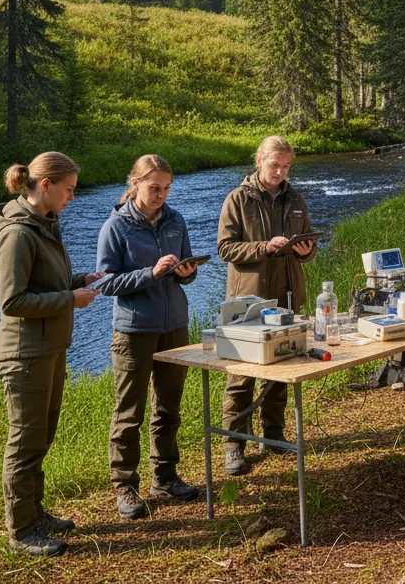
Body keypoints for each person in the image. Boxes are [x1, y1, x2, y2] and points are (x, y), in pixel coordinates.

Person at [0, 152, 102, 557]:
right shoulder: (18, 234)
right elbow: (13, 301)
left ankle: (36, 513)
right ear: (44, 186)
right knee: (25, 441)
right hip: (25, 353)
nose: (72, 197)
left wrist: (78, 281)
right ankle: (21, 531)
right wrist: (69, 299)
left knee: (42, 436)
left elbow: (43, 284)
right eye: (68, 189)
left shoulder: (44, 225)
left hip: (49, 348)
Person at [97, 154, 199, 519]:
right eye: (154, 187)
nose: (161, 195)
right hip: (134, 331)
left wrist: (186, 272)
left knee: (169, 409)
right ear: (135, 184)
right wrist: (149, 274)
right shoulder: (116, 227)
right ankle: (124, 485)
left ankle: (166, 476)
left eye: (167, 187)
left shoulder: (176, 219)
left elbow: (187, 270)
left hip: (175, 326)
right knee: (130, 413)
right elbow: (105, 282)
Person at [216, 136, 317, 476]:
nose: (280, 172)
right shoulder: (237, 199)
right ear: (259, 160)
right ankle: (234, 444)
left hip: (288, 295)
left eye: (286, 166)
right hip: (248, 302)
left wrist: (306, 251)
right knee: (241, 375)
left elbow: (307, 241)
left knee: (281, 366)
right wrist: (263, 247)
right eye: (274, 165)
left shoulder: (296, 198)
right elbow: (225, 248)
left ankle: (273, 434)